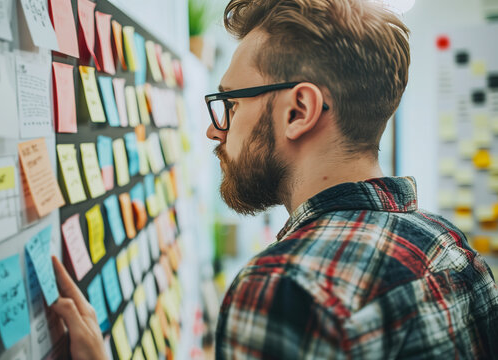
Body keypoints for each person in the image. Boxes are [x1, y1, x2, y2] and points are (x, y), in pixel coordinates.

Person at [50, 0, 498, 358]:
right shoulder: (452, 247)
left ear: (298, 111)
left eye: (231, 103)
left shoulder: (282, 287)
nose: (214, 128)